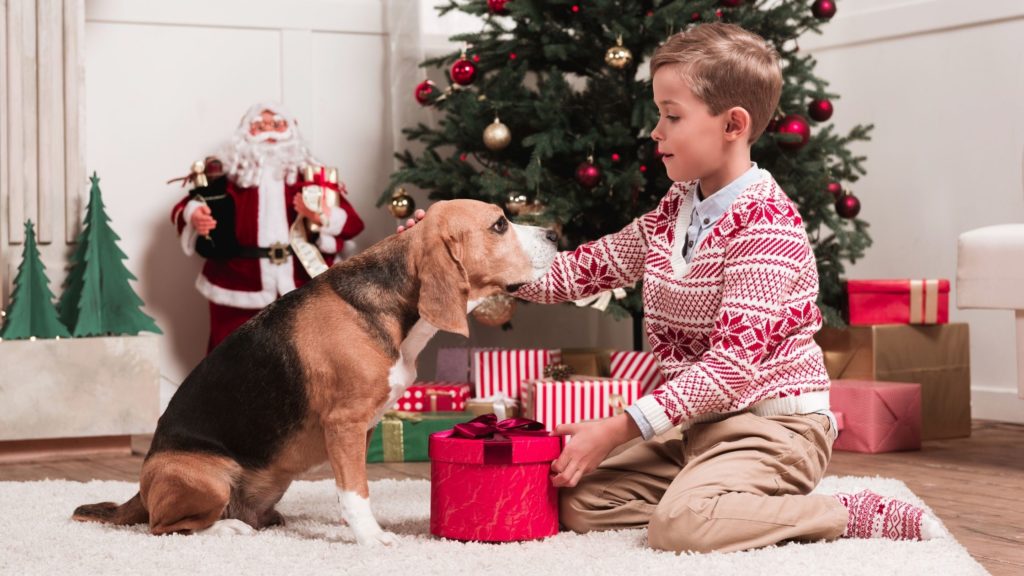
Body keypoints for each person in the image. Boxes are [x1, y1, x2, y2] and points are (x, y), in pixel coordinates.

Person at [402, 23, 940, 553]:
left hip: (774, 431)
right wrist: (469, 257)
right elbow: (584, 269)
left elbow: (731, 370)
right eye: (659, 113)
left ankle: (844, 512)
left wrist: (619, 428)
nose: (655, 131)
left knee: (682, 528)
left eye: (671, 116)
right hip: (697, 428)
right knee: (572, 497)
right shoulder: (676, 209)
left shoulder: (767, 227)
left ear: (732, 124)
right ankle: (712, 493)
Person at [171, 102, 364, 351]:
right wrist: (195, 214)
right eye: (260, 126)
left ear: (291, 130)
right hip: (238, 282)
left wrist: (323, 215)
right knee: (231, 357)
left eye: (276, 125)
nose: (269, 132)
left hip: (300, 281)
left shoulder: (312, 180)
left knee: (305, 354)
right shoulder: (227, 178)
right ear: (245, 135)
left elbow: (352, 223)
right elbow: (184, 206)